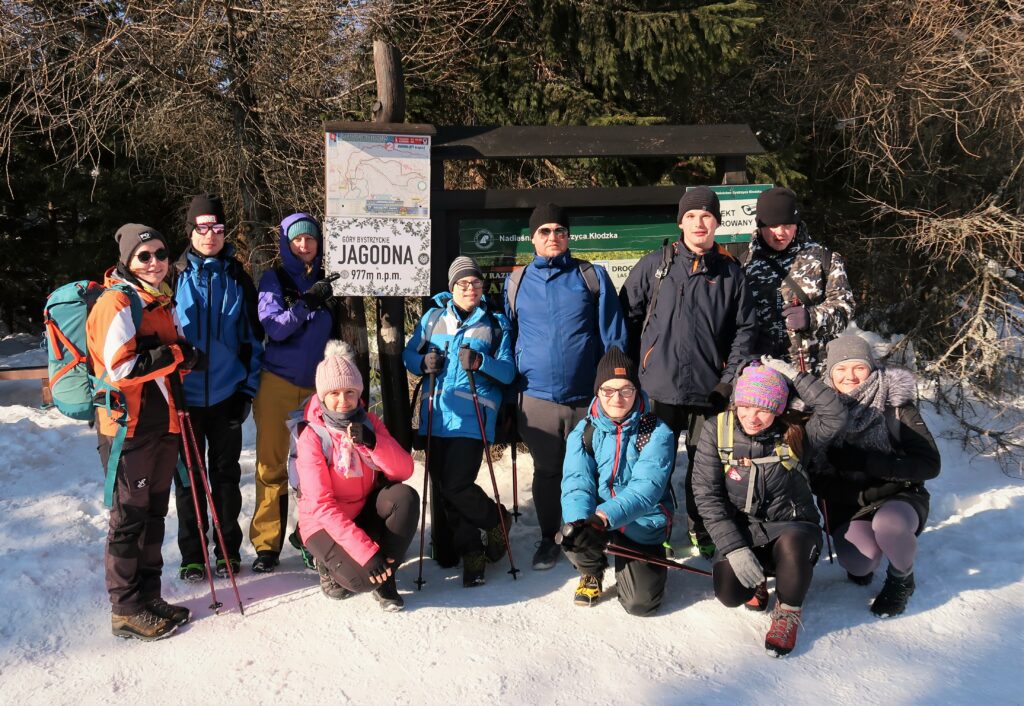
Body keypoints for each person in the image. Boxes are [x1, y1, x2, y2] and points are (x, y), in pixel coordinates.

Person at [619, 187, 756, 559]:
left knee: (705, 467)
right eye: (692, 216)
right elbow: (627, 318)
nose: (700, 222)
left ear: (717, 222)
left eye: (707, 216)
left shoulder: (731, 273)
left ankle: (702, 525)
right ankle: (656, 525)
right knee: (653, 464)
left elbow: (744, 331)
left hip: (708, 391)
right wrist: (630, 373)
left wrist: (728, 382)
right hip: (656, 388)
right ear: (681, 222)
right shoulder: (655, 265)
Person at [87, 224, 201, 640]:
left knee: (155, 514)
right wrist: (176, 354)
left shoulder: (160, 301)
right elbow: (120, 368)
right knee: (129, 518)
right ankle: (124, 607)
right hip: (127, 429)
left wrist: (186, 357)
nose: (155, 262)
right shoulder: (116, 302)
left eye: (160, 254)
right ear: (127, 261)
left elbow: (164, 362)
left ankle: (148, 597)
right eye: (144, 256)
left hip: (163, 423)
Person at [692, 358, 846, 657]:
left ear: (778, 409)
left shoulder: (796, 432)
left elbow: (835, 414)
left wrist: (794, 375)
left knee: (792, 548)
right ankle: (757, 579)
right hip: (743, 526)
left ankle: (788, 611)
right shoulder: (717, 431)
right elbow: (706, 494)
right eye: (746, 406)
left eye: (764, 408)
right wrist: (734, 548)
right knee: (730, 594)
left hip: (793, 523)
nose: (753, 417)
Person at [504, 203, 627, 570]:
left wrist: (614, 388)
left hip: (587, 398)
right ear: (533, 239)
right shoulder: (517, 282)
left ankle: (588, 538)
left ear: (568, 236)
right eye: (545, 231)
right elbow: (509, 336)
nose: (553, 237)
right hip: (537, 397)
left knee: (590, 470)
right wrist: (512, 390)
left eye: (559, 230)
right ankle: (548, 538)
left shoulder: (591, 276)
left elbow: (613, 336)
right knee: (546, 470)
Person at [405, 256, 516, 587]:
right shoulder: (433, 317)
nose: (470, 289)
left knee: (456, 485)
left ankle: (498, 520)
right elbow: (409, 355)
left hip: (472, 419)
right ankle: (472, 551)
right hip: (434, 417)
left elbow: (508, 372)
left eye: (476, 283)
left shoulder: (495, 324)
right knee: (445, 489)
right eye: (463, 284)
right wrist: (423, 361)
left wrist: (482, 361)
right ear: (452, 288)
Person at [813, 334, 940, 617]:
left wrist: (868, 462)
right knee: (860, 563)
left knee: (889, 525)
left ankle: (901, 579)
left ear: (871, 367)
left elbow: (930, 464)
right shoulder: (818, 412)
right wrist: (852, 493)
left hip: (901, 496)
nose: (850, 376)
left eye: (858, 367)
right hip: (850, 504)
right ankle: (870, 556)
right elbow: (814, 476)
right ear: (829, 374)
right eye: (841, 370)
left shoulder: (895, 406)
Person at [173, 194, 264, 581]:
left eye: (218, 228)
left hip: (227, 395)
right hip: (184, 399)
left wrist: (247, 391)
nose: (211, 235)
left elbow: (253, 340)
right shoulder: (172, 275)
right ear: (192, 231)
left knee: (225, 477)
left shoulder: (238, 279)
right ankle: (193, 555)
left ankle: (227, 549)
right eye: (203, 227)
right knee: (189, 478)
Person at [295, 341, 418, 611]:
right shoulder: (313, 436)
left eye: (350, 392)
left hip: (361, 509)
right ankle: (327, 566)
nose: (343, 400)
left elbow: (404, 470)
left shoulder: (369, 423)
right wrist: (366, 551)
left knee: (405, 497)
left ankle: (386, 579)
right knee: (361, 581)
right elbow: (322, 506)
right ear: (323, 395)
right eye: (334, 393)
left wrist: (374, 443)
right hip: (322, 524)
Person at [249, 212, 339, 573]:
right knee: (271, 465)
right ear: (287, 243)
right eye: (297, 240)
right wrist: (305, 304)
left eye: (310, 239)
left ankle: (309, 536)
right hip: (277, 382)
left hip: (317, 387)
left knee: (315, 469)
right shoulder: (275, 279)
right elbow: (274, 326)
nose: (304, 245)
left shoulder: (327, 280)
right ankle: (266, 544)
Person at [559, 347, 676, 615]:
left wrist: (602, 519)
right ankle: (590, 570)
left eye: (626, 389)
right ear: (598, 392)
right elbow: (577, 481)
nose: (617, 398)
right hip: (597, 520)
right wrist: (581, 522)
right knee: (573, 529)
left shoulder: (657, 431)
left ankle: (642, 564)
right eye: (608, 390)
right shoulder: (584, 431)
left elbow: (646, 490)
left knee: (640, 604)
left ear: (636, 390)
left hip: (640, 521)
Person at [743, 186, 854, 375]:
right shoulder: (745, 264)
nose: (780, 232)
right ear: (760, 226)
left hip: (815, 373)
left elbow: (845, 309)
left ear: (796, 223)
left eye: (787, 225)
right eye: (773, 225)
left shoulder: (824, 259)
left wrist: (811, 317)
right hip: (764, 376)